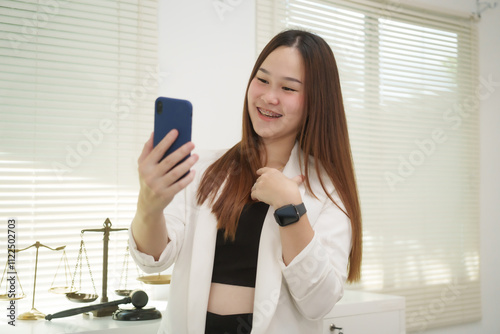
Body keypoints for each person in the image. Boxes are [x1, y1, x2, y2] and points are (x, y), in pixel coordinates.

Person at [129, 29, 362, 334]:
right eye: (262, 80)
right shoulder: (204, 170)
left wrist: (290, 208)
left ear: (316, 101)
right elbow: (153, 261)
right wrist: (149, 204)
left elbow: (319, 301)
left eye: (288, 88)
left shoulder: (327, 190)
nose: (269, 96)